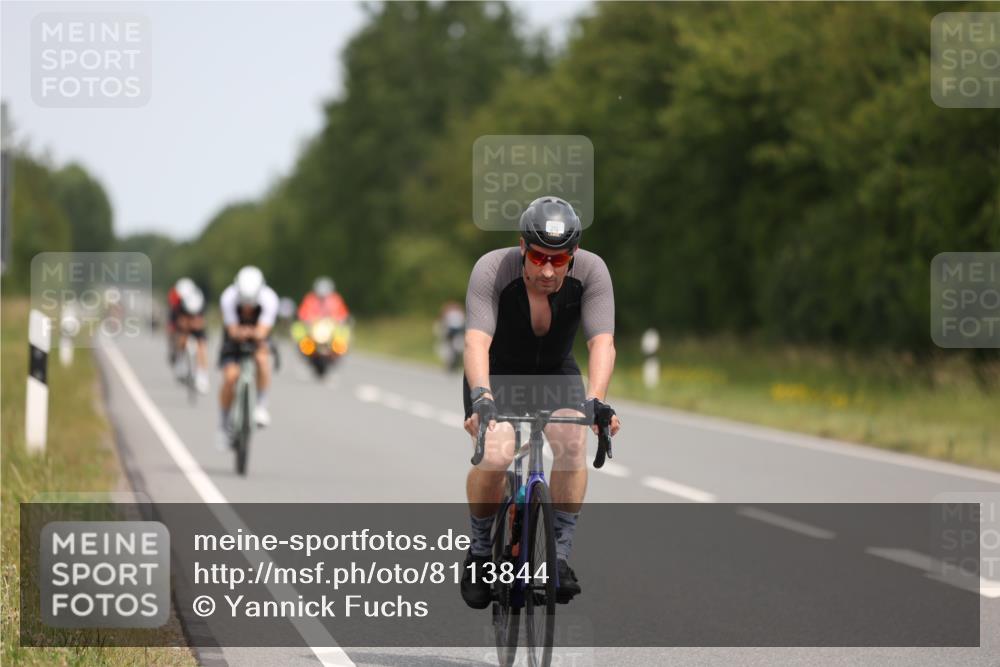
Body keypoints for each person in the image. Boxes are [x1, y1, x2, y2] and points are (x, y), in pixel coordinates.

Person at [460, 195, 622, 609]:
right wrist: (481, 397)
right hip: (496, 374)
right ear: (522, 247)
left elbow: (602, 342)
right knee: (496, 455)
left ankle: (559, 557)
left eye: (558, 259)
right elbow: (477, 340)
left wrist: (597, 401)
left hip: (555, 373)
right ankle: (480, 554)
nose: (547, 269)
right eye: (537, 257)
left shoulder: (592, 272)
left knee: (573, 442)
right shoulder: (492, 269)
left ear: (574, 254)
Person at [217, 266, 279, 449]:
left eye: (250, 304)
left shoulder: (270, 299)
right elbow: (232, 330)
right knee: (230, 378)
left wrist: (252, 333)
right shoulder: (228, 297)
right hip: (233, 340)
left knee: (262, 360)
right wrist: (241, 332)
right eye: (244, 303)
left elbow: (263, 330)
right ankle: (223, 425)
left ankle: (261, 405)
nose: (247, 308)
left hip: (258, 337)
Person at [173, 281, 209, 393]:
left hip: (197, 324)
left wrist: (196, 323)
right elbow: (178, 321)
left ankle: (202, 375)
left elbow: (202, 321)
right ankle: (180, 361)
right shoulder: (179, 304)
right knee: (182, 338)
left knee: (201, 346)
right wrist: (186, 325)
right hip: (184, 321)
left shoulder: (200, 300)